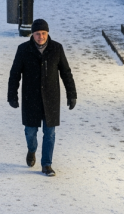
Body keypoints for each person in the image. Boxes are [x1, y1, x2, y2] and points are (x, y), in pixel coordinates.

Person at [7, 19, 77, 176]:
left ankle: (46, 164)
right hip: (30, 97)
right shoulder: (23, 49)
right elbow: (15, 74)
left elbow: (66, 72)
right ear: (32, 34)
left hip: (51, 97)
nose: (40, 37)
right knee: (30, 132)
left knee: (50, 132)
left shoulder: (56, 49)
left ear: (48, 33)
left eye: (43, 33)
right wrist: (12, 95)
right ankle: (31, 150)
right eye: (37, 34)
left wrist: (71, 94)